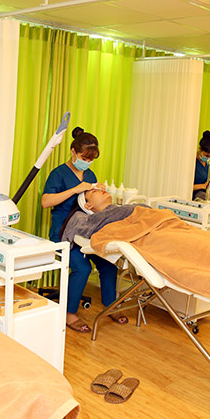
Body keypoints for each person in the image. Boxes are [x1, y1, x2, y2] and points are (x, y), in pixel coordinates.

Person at [41, 127, 124, 333]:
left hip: (86, 231)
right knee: (82, 268)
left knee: (108, 264)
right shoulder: (58, 174)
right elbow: (45, 202)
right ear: (73, 151)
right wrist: (75, 189)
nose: (87, 162)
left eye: (90, 159)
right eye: (84, 158)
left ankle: (110, 306)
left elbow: (92, 204)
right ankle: (69, 313)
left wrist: (100, 192)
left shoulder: (90, 174)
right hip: (64, 233)